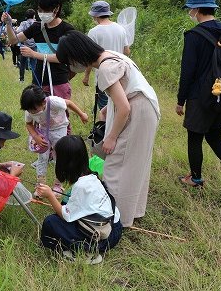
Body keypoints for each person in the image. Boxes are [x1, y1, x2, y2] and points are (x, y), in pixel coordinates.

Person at [56, 30, 160, 228]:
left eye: (69, 62)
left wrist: (111, 138)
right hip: (144, 106)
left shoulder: (105, 68)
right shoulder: (111, 55)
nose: (70, 67)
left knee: (116, 164)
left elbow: (125, 108)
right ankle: (132, 211)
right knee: (135, 164)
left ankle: (116, 218)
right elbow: (125, 89)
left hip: (136, 111)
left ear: (76, 55)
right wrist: (106, 109)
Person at [36, 135, 122, 263]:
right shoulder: (92, 177)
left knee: (51, 222)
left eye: (57, 156)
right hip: (115, 226)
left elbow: (65, 215)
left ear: (65, 162)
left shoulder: (81, 186)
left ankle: (86, 253)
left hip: (103, 238)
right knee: (65, 203)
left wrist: (49, 195)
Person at [2, 0, 75, 132]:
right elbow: (13, 40)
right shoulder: (37, 27)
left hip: (59, 81)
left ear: (57, 8)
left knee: (61, 119)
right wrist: (8, 24)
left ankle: (61, 150)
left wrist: (34, 55)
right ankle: (43, 149)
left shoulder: (67, 30)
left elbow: (63, 58)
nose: (42, 13)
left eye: (46, 10)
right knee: (39, 118)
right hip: (39, 82)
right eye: (40, 10)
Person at [176, 0, 221, 195]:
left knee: (195, 137)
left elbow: (188, 71)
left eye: (191, 9)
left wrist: (181, 100)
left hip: (199, 95)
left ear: (196, 9)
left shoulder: (194, 36)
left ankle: (195, 178)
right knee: (214, 136)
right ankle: (195, 177)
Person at [20, 84, 88, 197]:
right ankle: (40, 186)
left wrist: (82, 114)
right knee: (42, 158)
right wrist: (35, 136)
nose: (31, 112)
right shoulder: (30, 109)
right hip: (43, 132)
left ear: (43, 102)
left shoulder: (54, 102)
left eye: (34, 110)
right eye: (29, 110)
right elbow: (29, 124)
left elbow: (69, 103)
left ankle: (58, 185)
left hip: (59, 129)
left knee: (59, 157)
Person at [84, 1, 131, 109]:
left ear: (95, 15)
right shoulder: (121, 29)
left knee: (105, 108)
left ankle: (107, 125)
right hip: (121, 72)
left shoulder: (93, 32)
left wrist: (86, 76)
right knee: (118, 105)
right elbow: (127, 52)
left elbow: (91, 57)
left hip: (103, 75)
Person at [16, 9, 37, 82]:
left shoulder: (23, 23)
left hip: (24, 45)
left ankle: (21, 79)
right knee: (34, 64)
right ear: (34, 15)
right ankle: (34, 80)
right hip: (34, 46)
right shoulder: (36, 23)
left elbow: (18, 31)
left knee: (23, 63)